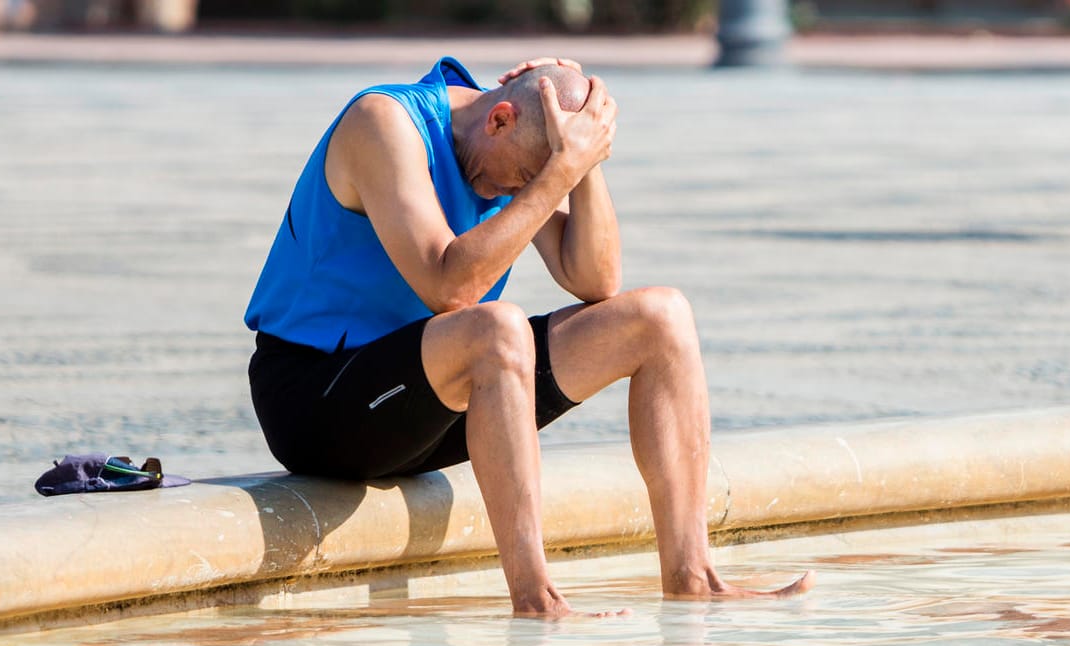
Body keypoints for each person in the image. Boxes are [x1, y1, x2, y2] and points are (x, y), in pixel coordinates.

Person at [245, 56, 814, 616]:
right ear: (498, 120)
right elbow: (450, 288)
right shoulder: (383, 124)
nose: (513, 192)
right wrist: (557, 174)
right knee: (497, 327)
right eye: (521, 179)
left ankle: (692, 577)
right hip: (318, 403)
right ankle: (535, 598)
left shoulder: (512, 147)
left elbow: (595, 280)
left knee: (661, 318)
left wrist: (585, 156)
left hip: (432, 400)